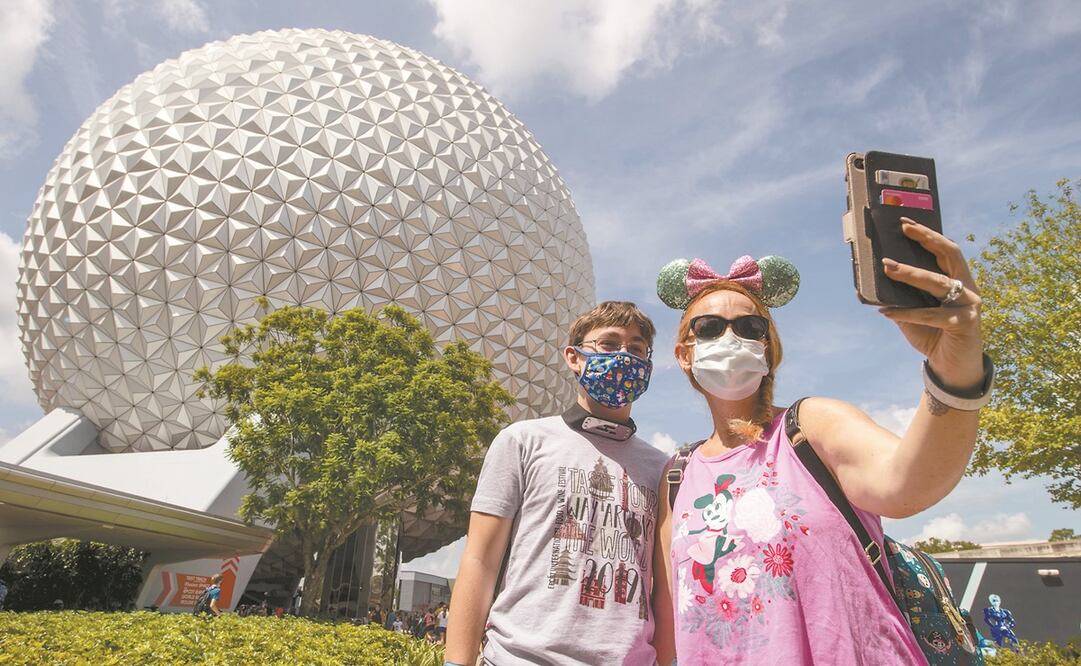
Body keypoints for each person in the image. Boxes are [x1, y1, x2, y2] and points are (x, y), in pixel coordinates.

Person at [652, 221, 993, 664]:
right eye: (711, 327)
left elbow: (909, 485)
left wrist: (956, 371)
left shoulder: (811, 427)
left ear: (769, 348)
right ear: (684, 353)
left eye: (750, 326)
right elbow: (669, 633)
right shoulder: (678, 476)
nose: (730, 337)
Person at [445, 301, 670, 666]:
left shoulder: (661, 468)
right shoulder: (523, 441)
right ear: (574, 357)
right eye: (609, 344)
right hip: (520, 657)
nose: (624, 356)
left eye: (636, 349)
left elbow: (663, 587)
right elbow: (480, 559)